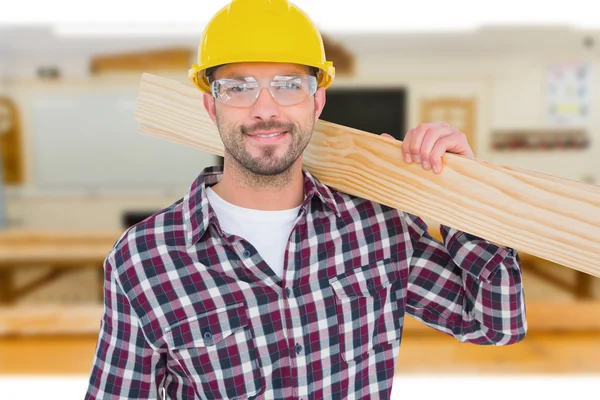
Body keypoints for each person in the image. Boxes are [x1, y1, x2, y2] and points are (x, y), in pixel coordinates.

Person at [85, 0, 527, 399]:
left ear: (317, 101)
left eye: (288, 85)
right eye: (238, 87)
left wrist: (461, 195)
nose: (264, 109)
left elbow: (496, 324)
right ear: (210, 106)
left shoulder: (377, 225)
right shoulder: (143, 260)